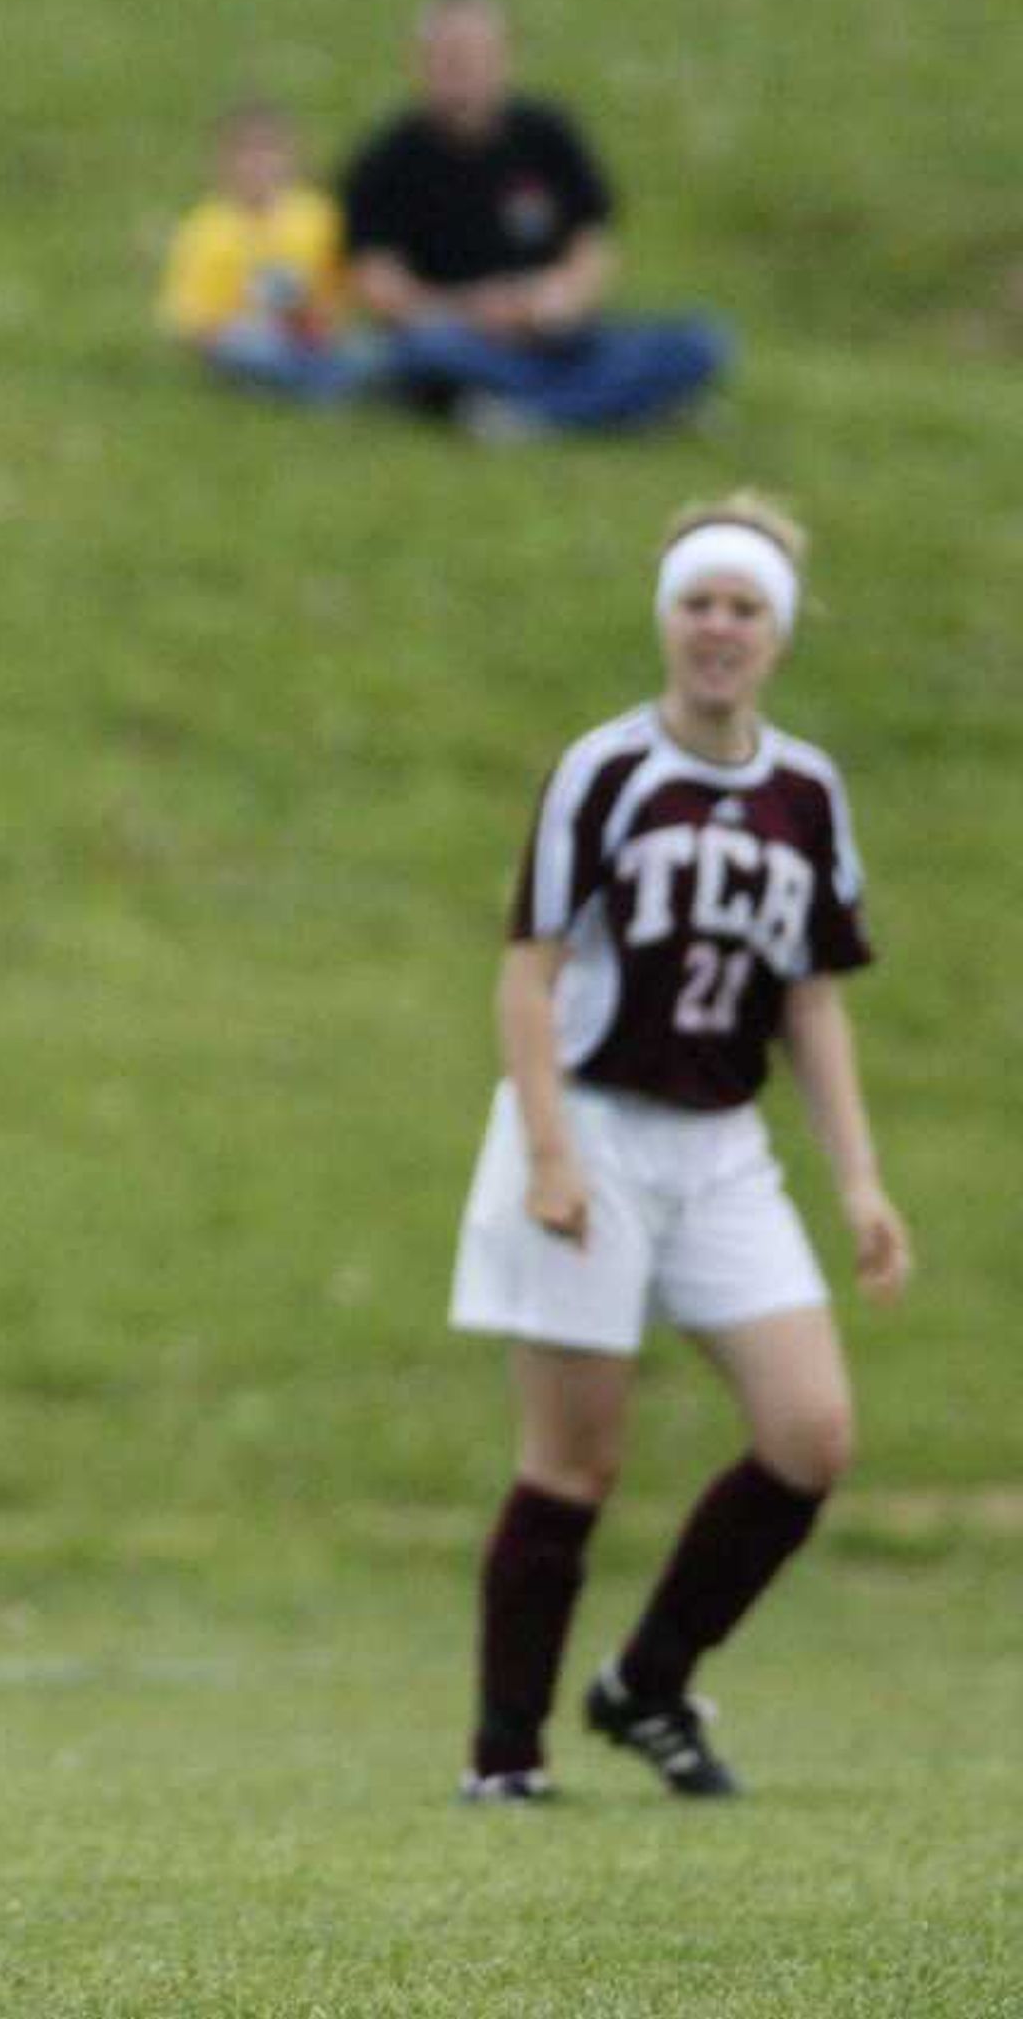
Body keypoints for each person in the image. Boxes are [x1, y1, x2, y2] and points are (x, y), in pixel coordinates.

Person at [450, 493, 905, 1805]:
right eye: (700, 601)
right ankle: (506, 1755)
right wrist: (547, 1149)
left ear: (779, 631)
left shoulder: (807, 791)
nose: (720, 627)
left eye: (745, 607)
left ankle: (648, 1682)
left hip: (719, 1144)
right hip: (588, 1121)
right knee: (576, 1457)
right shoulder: (607, 769)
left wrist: (860, 1179)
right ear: (668, 617)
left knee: (811, 1433)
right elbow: (527, 973)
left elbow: (812, 997)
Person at [341, 0, 727, 440]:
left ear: (504, 59)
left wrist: (552, 300)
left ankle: (529, 414)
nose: (462, 70)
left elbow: (592, 245)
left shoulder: (548, 136)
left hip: (550, 332)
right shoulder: (386, 158)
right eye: (449, 56)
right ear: (420, 62)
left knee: (700, 340)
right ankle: (624, 406)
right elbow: (376, 280)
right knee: (417, 353)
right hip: (458, 335)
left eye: (476, 56)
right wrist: (470, 311)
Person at [156, 101, 377, 405]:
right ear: (222, 163)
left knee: (367, 352)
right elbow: (191, 320)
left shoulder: (319, 217)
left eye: (269, 151)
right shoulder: (206, 229)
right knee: (251, 350)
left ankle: (306, 386)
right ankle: (314, 388)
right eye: (245, 154)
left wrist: (316, 322)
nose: (258, 165)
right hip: (248, 337)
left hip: (315, 335)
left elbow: (348, 289)